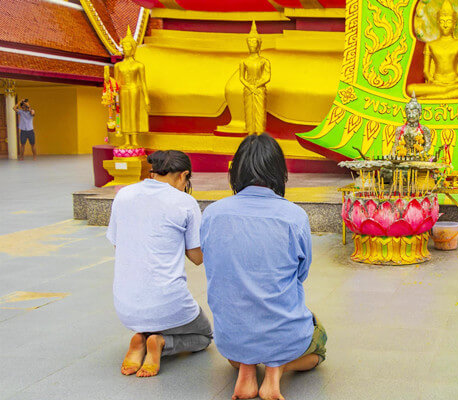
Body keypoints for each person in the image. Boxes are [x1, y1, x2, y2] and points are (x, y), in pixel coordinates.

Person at [200, 134, 327, 400]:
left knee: (240, 348)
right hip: (285, 336)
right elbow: (301, 275)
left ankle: (246, 373)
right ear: (280, 172)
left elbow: (213, 267)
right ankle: (275, 372)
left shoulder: (212, 213)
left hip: (231, 340)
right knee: (319, 347)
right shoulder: (294, 217)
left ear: (236, 173)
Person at [106, 150, 212, 378]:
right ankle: (162, 342)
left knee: (152, 308)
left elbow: (119, 245)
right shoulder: (185, 202)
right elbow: (197, 258)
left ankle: (141, 338)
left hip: (126, 308)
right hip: (170, 305)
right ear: (184, 175)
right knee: (205, 337)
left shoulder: (123, 195)